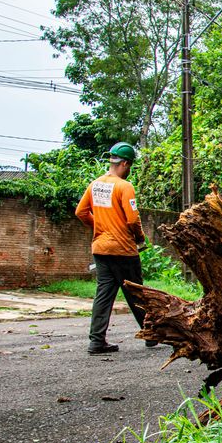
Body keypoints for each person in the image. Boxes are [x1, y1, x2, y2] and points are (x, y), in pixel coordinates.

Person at [75, 142, 157, 354]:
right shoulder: (124, 186)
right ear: (126, 164)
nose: (129, 170)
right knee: (136, 293)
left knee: (104, 294)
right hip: (123, 249)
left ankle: (96, 341)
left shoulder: (95, 184)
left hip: (101, 248)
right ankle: (150, 335)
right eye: (130, 166)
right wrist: (140, 238)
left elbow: (81, 212)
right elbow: (132, 219)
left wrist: (100, 226)